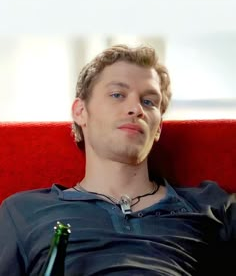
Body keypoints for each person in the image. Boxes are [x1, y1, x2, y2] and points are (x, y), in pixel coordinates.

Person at [0, 44, 235, 275]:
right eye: (117, 95)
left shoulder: (213, 206)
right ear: (81, 112)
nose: (136, 108)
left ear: (158, 128)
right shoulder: (23, 212)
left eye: (149, 101)